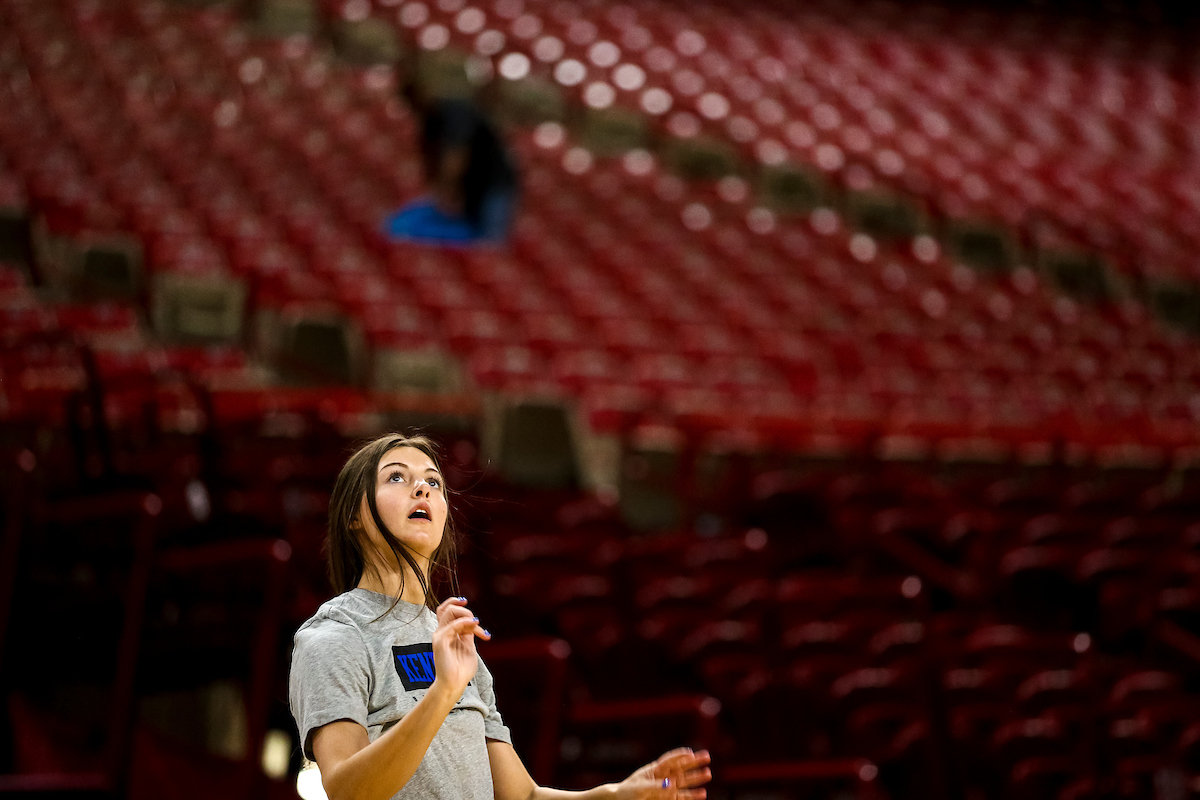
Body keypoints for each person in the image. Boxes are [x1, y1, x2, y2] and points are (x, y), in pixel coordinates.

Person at [289, 433, 712, 800]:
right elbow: (345, 790)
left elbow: (522, 794)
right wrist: (442, 692)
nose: (421, 488)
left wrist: (617, 794)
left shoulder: (455, 643)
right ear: (352, 517)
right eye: (396, 476)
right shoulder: (334, 636)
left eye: (433, 482)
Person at [383, 76, 518, 245]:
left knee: (488, 242)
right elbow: (431, 159)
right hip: (470, 185)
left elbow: (457, 155)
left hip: (492, 183)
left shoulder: (454, 110)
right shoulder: (430, 121)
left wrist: (448, 191)